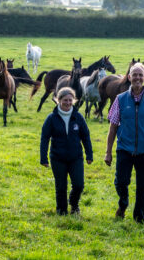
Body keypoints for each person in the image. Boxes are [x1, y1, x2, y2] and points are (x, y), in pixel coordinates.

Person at [104, 63, 144, 223]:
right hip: (124, 149)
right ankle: (123, 204)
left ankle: (139, 218)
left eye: (140, 75)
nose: (137, 77)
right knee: (121, 182)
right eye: (134, 74)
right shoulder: (120, 99)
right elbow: (113, 128)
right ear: (129, 77)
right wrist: (108, 152)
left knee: (143, 187)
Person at [40, 87, 93, 215]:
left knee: (79, 185)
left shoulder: (78, 117)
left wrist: (89, 154)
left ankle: (74, 204)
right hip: (58, 158)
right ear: (58, 100)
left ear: (73, 101)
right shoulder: (51, 118)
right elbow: (45, 138)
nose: (68, 103)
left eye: (70, 100)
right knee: (61, 186)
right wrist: (44, 158)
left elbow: (85, 136)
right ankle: (61, 211)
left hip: (76, 158)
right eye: (65, 100)